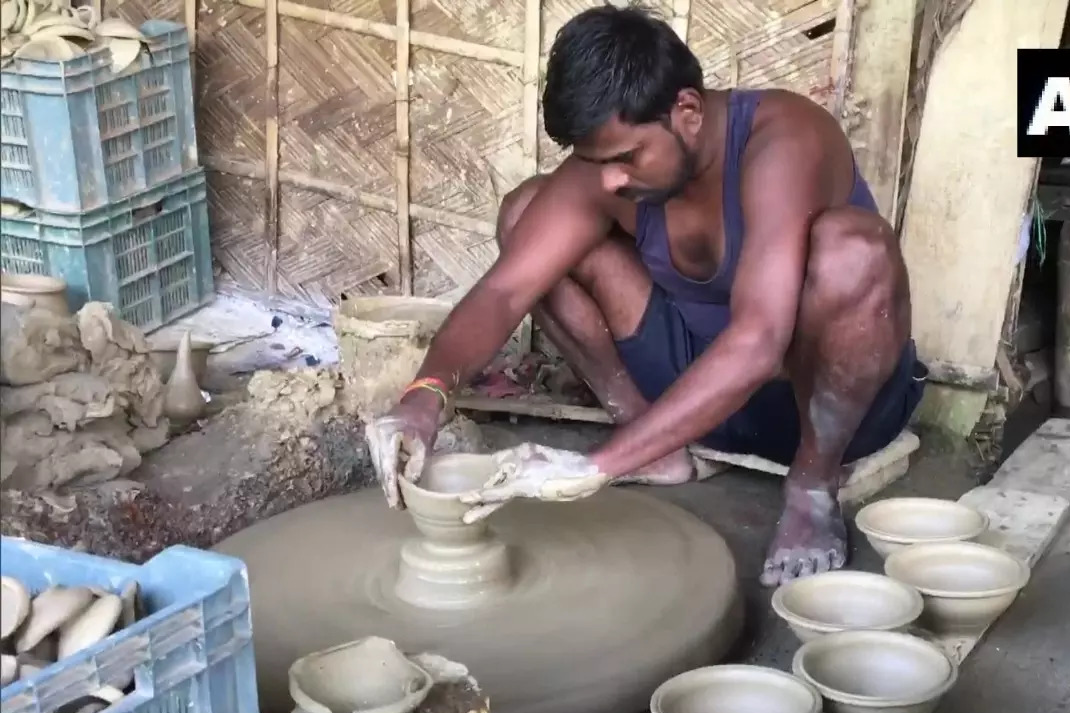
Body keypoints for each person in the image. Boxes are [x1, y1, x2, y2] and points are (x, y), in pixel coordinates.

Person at [365, 4, 926, 587]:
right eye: (596, 162)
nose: (610, 180)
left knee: (851, 251)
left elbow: (760, 341)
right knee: (528, 212)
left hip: (828, 408)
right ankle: (652, 446)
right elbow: (506, 291)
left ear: (685, 110)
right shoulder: (612, 172)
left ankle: (812, 486)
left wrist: (594, 466)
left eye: (626, 158)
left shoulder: (786, 138)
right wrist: (423, 396)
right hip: (692, 396)